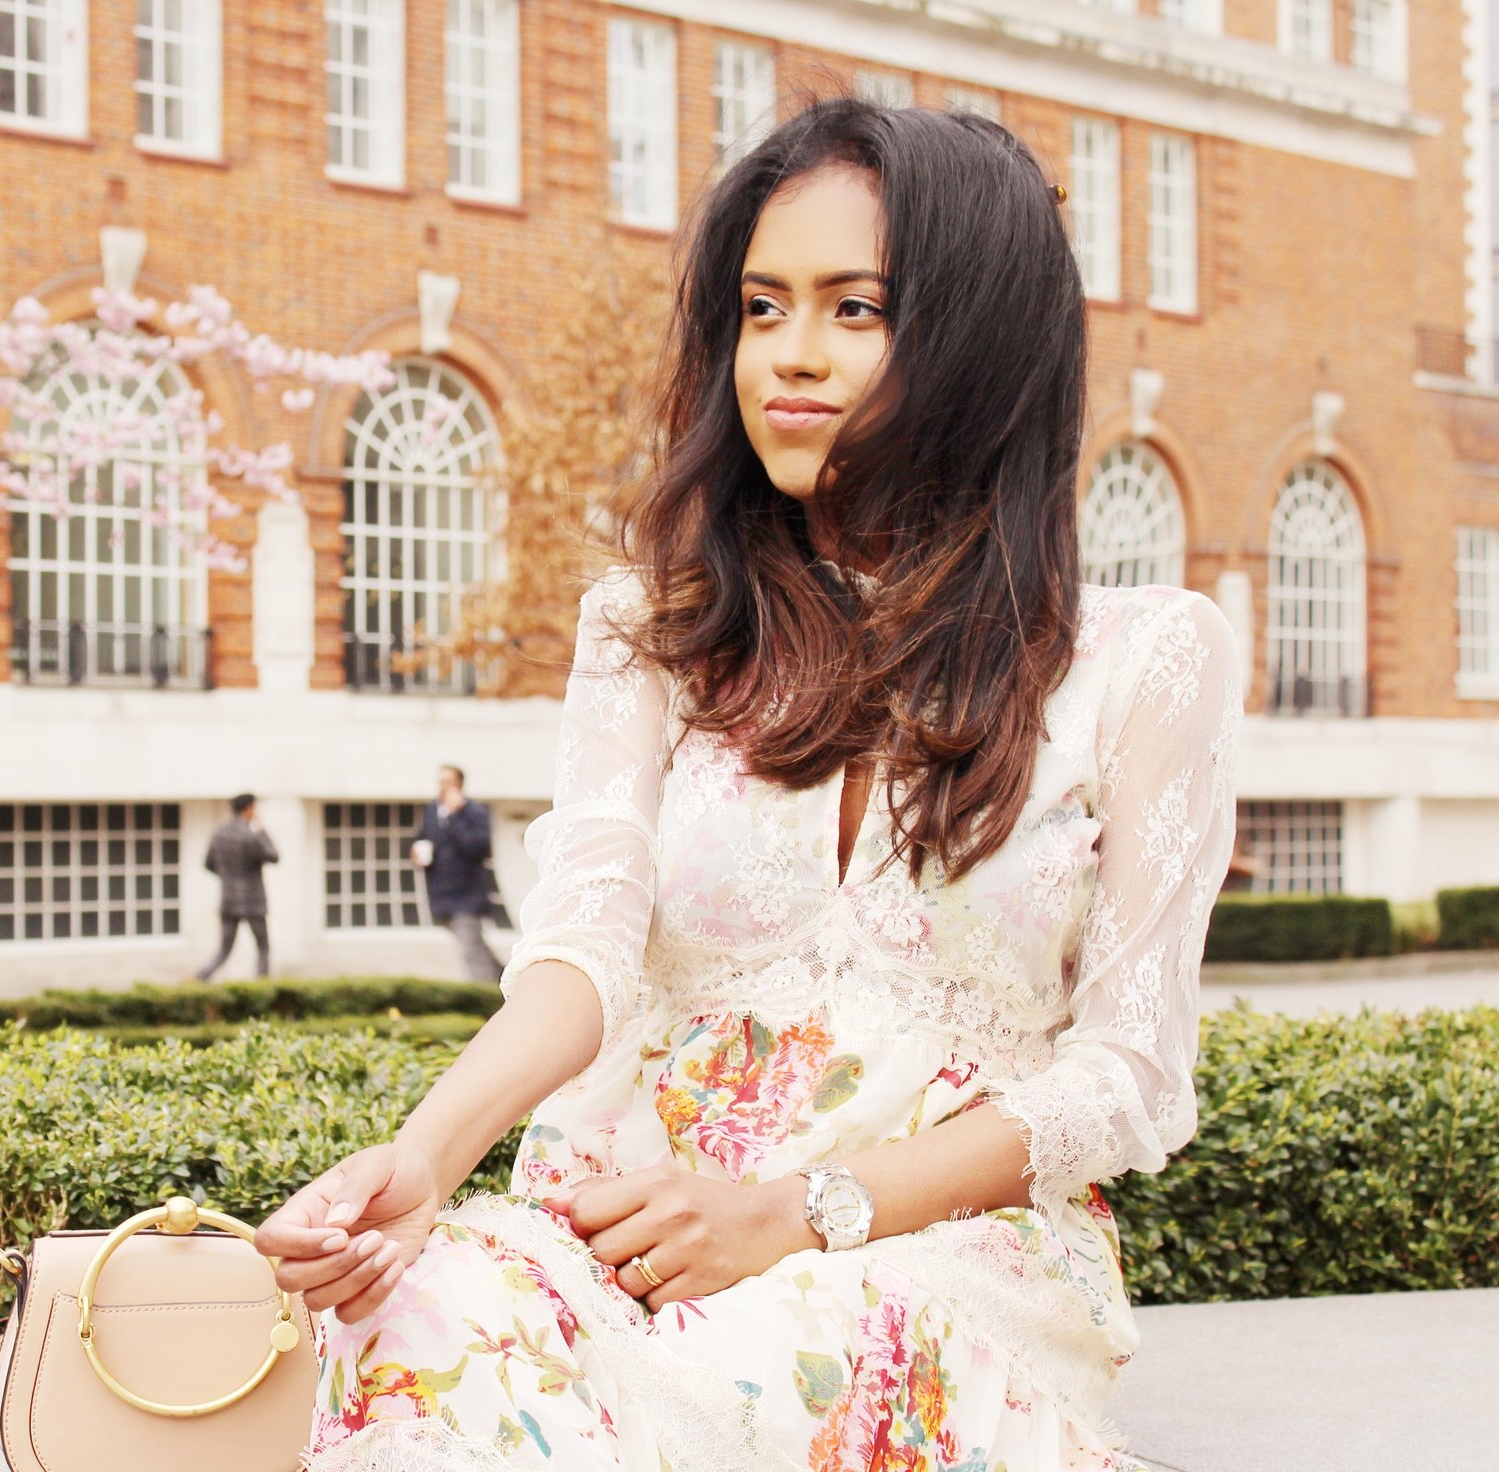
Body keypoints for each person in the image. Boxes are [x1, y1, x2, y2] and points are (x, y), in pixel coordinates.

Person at [255, 93, 1241, 1472]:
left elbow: (1129, 1078)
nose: (789, 355)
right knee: (419, 1322)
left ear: (980, 336)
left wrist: (798, 1209)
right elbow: (580, 948)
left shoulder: (1147, 662)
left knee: (759, 1374)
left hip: (934, 1258)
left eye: (855, 309)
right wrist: (421, 1163)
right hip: (634, 1223)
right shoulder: (651, 629)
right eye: (762, 308)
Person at [413, 765, 503, 982]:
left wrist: (455, 816)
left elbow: (477, 847)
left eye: (448, 782)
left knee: (470, 948)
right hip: (440, 891)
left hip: (467, 894)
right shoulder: (431, 811)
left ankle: (484, 995)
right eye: (440, 781)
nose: (443, 787)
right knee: (473, 944)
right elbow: (422, 839)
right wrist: (416, 853)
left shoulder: (474, 812)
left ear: (459, 784)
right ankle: (503, 976)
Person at [195, 793, 280, 982]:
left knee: (224, 950)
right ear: (249, 808)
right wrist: (260, 829)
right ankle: (262, 986)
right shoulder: (250, 834)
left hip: (229, 899)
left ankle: (199, 977)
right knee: (263, 947)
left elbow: (208, 864)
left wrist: (228, 876)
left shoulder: (219, 833)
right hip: (253, 900)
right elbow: (273, 855)